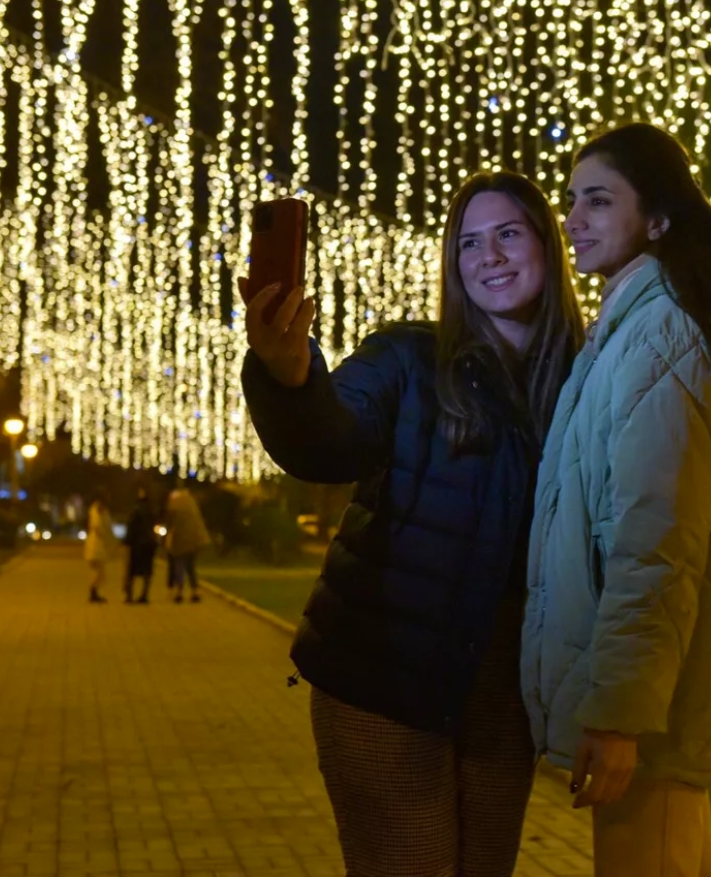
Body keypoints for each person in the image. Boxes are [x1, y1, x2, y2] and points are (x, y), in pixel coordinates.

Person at [239, 171, 584, 877]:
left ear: (548, 247)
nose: (488, 254)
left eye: (508, 233)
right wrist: (288, 376)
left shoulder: (586, 379)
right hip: (383, 677)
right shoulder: (406, 357)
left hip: (503, 697)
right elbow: (328, 441)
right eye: (468, 243)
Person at [521, 123, 711, 877]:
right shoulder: (635, 326)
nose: (573, 218)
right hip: (656, 692)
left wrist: (619, 714)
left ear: (660, 218)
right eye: (572, 199)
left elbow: (656, 536)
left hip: (655, 706)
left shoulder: (667, 331)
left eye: (599, 199)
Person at [163, 485, 210, 604]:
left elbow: (170, 523)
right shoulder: (191, 503)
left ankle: (179, 591)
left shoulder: (175, 505)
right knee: (191, 567)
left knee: (180, 565)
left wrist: (167, 537)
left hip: (181, 541)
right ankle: (195, 591)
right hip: (194, 541)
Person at [84, 491, 120, 604]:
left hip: (97, 543)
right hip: (96, 544)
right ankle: (93, 592)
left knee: (99, 571)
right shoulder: (97, 510)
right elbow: (98, 526)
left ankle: (94, 592)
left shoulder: (98, 510)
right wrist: (105, 537)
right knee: (99, 572)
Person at [124, 487, 158, 604]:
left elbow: (131, 526)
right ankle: (144, 594)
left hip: (137, 543)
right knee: (147, 571)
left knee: (132, 571)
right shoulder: (151, 509)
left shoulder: (136, 509)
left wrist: (127, 540)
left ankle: (129, 595)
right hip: (149, 543)